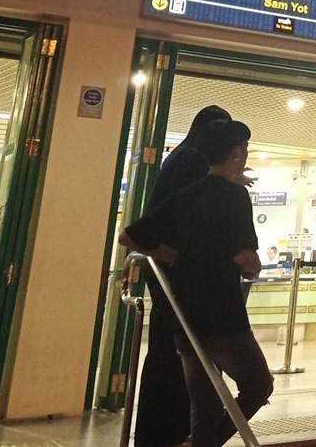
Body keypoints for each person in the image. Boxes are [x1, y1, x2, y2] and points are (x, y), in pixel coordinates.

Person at [120, 120, 273, 447]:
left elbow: (129, 236)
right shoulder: (235, 197)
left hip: (184, 313)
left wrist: (171, 256)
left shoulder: (187, 195)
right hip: (223, 313)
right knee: (258, 386)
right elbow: (246, 259)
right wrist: (253, 268)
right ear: (236, 153)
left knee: (204, 401)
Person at [133, 104, 230, 447]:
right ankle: (167, 431)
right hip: (174, 268)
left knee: (170, 350)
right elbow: (185, 211)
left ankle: (163, 431)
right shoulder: (192, 161)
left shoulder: (181, 156)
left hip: (164, 264)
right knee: (174, 350)